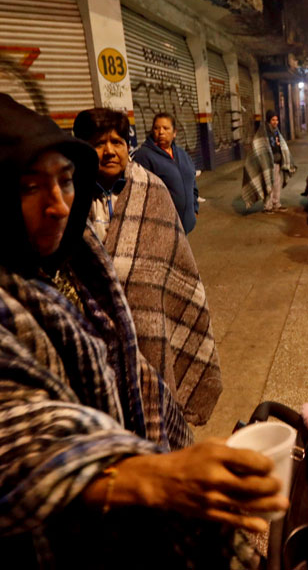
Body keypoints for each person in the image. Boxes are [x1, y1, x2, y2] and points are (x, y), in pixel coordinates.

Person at [0, 89, 285, 568]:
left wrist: (162, 443)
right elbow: (7, 440)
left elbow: (118, 353)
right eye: (29, 187)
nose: (57, 206)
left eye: (66, 181)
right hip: (14, 544)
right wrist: (145, 476)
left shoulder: (60, 256)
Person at [75, 107, 222, 425]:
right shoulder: (68, 197)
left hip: (149, 322)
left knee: (155, 409)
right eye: (98, 143)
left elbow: (177, 266)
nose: (109, 150)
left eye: (117, 141)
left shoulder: (152, 191)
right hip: (93, 335)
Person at [133, 113, 200, 234]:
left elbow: (192, 181)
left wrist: (194, 208)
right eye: (156, 128)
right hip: (163, 228)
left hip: (185, 226)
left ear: (175, 133)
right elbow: (139, 194)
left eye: (165, 128)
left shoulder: (182, 154)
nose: (161, 132)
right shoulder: (144, 156)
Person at [241, 109, 295, 213]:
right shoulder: (263, 132)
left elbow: (281, 145)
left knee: (277, 185)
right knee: (268, 183)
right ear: (268, 120)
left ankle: (276, 203)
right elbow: (258, 147)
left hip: (278, 162)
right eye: (273, 120)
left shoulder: (276, 131)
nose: (276, 122)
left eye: (277, 120)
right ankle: (267, 206)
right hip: (267, 164)